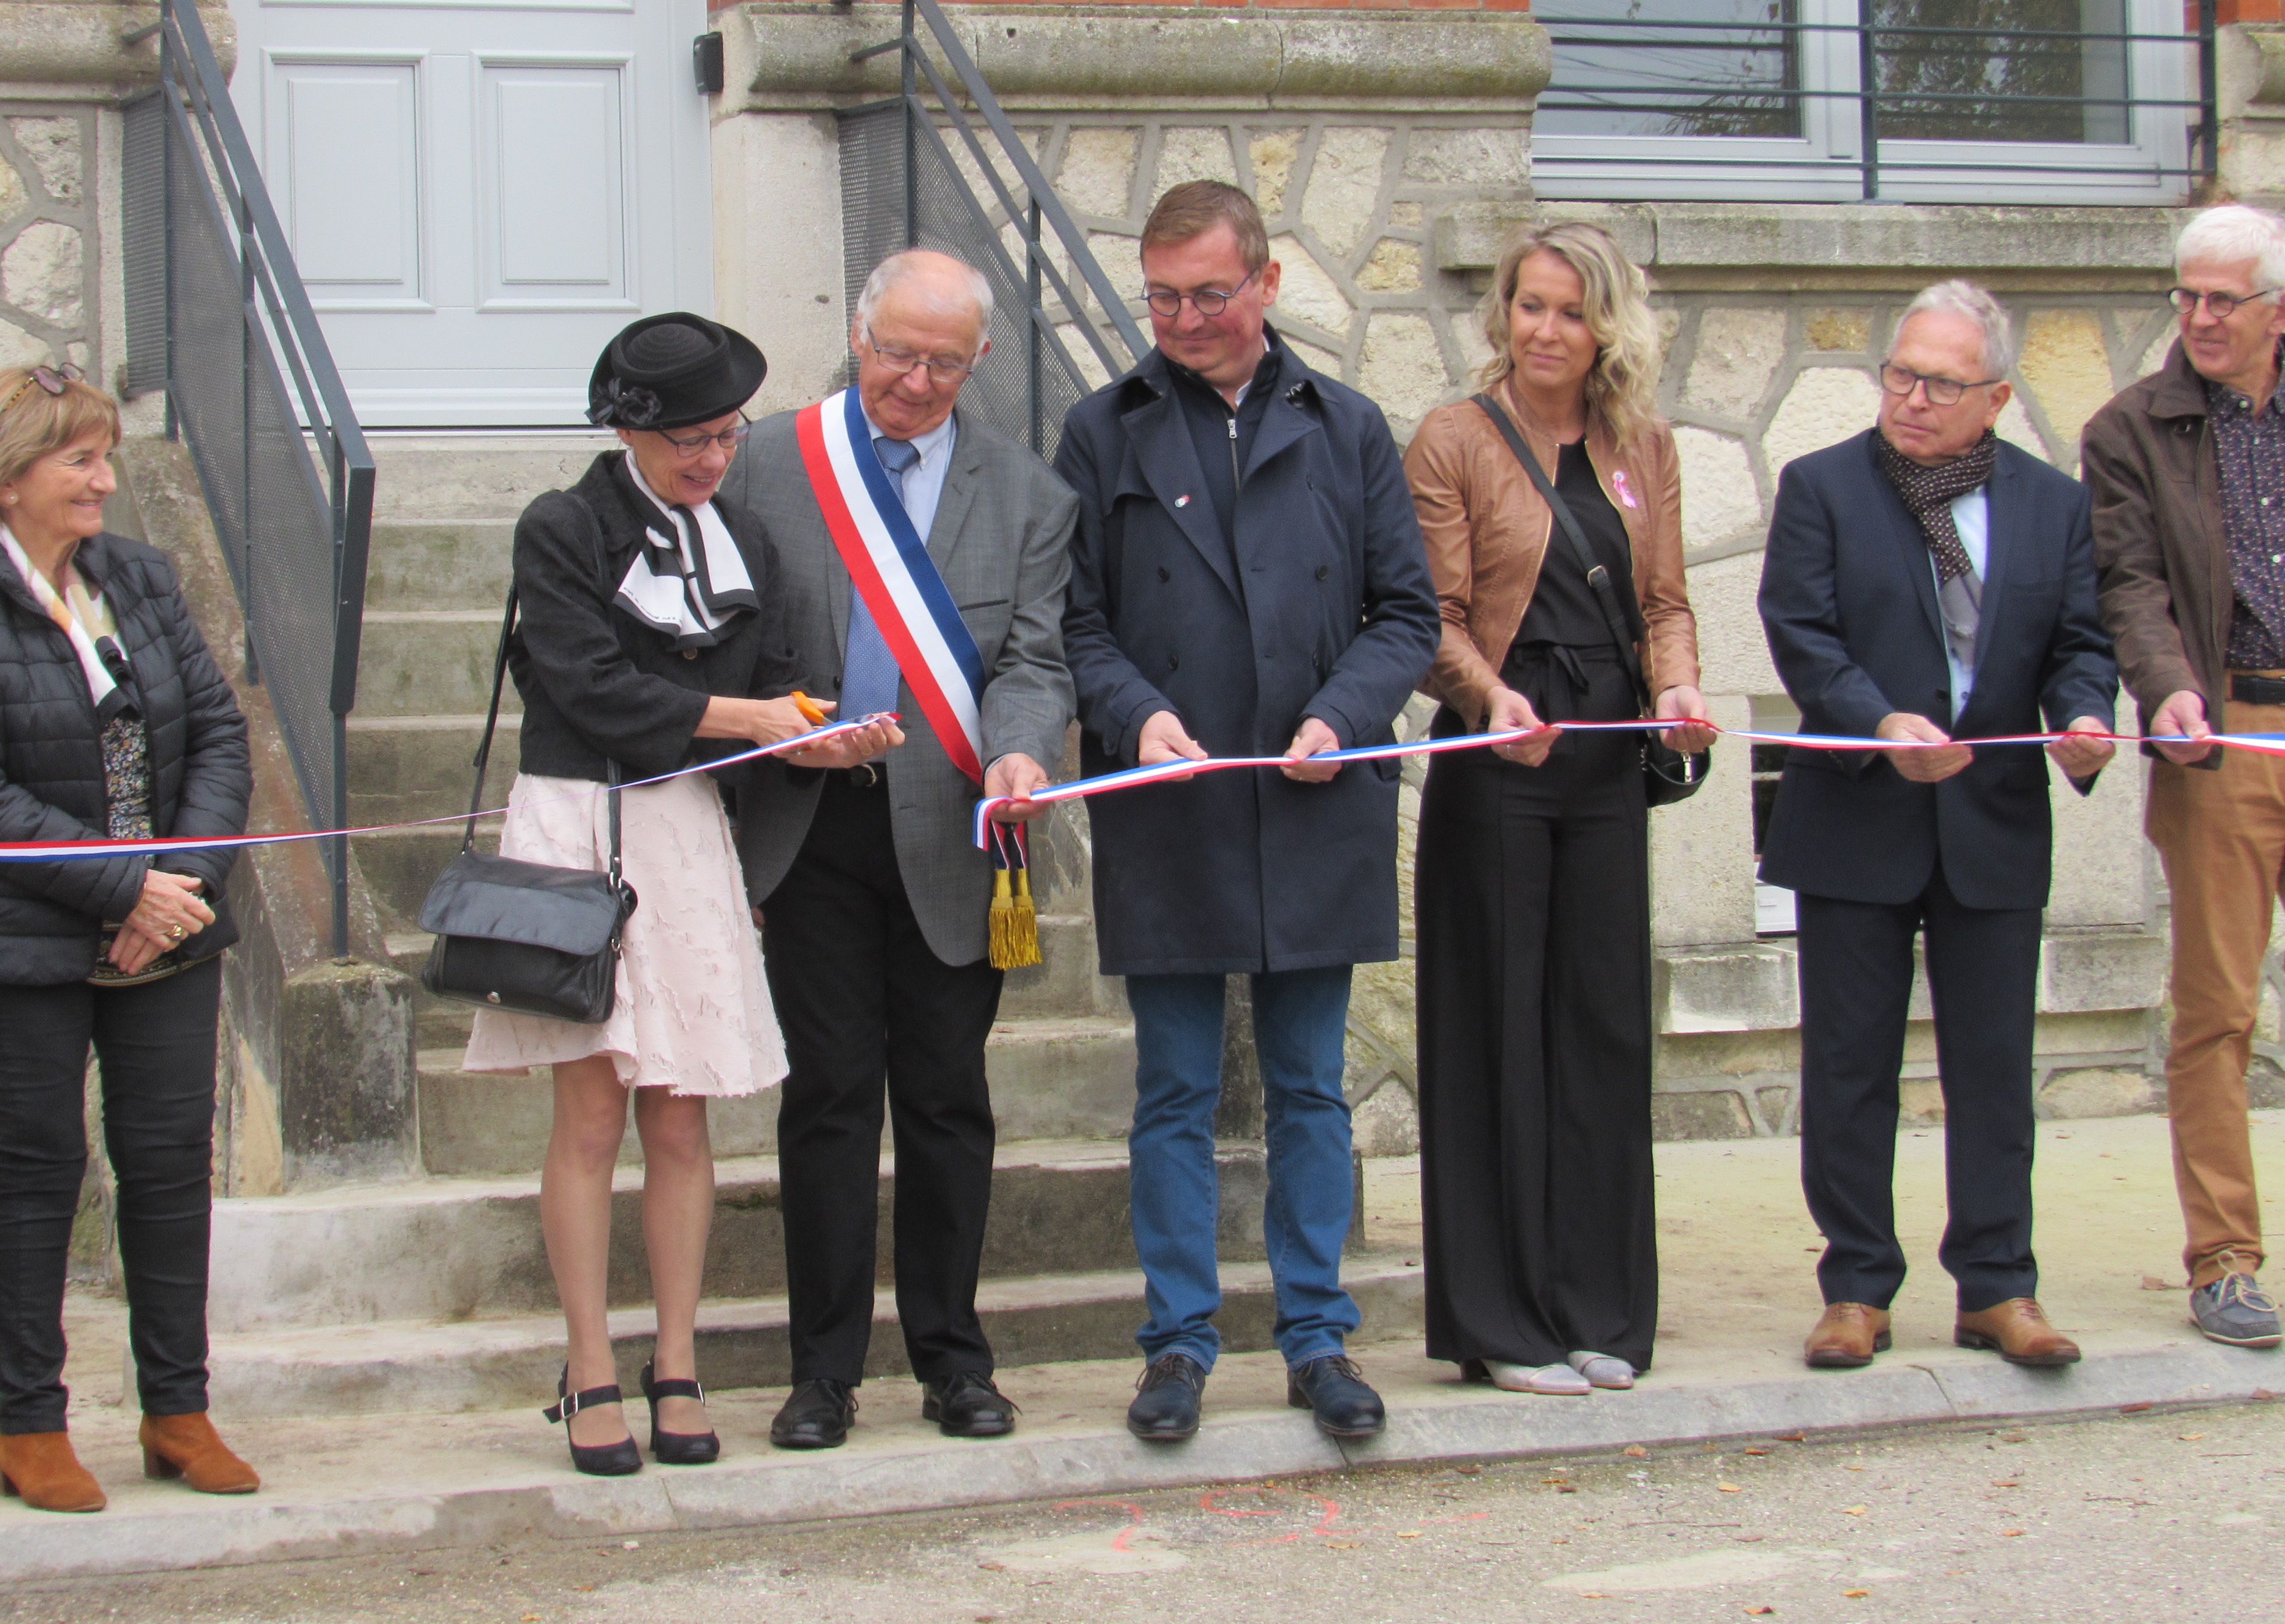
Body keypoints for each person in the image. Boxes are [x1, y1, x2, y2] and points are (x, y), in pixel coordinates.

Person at [464, 313, 897, 1474]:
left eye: (727, 434)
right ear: (630, 429)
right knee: (594, 1113)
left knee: (683, 1114)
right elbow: (590, 687)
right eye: (690, 439)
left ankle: (679, 1365)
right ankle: (591, 1367)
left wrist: (814, 739)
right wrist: (747, 720)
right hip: (578, 823)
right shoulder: (560, 528)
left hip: (690, 834)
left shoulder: (744, 532)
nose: (713, 457)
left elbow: (767, 697)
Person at [1055, 179, 1441, 1444]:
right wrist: (1131, 714)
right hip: (1169, 810)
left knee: (1309, 1089)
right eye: (1161, 298)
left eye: (1207, 295)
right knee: (1171, 1091)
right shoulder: (1101, 431)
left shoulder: (1351, 427)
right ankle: (1175, 1345)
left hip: (1319, 804)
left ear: (1266, 285)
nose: (1181, 319)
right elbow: (1076, 624)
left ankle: (1318, 1337)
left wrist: (1343, 712)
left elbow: (1407, 616)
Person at [724, 249, 1079, 1450]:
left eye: (943, 362)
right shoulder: (770, 462)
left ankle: (953, 1361)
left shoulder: (1028, 493)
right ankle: (821, 1373)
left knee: (945, 1101)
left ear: (981, 362)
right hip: (810, 827)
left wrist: (1024, 751)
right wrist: (776, 732)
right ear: (857, 335)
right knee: (828, 1101)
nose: (914, 383)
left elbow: (1034, 659)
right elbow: (730, 645)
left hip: (958, 836)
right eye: (895, 354)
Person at [0, 363, 257, 1512]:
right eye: (81, 462)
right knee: (40, 1170)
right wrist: (124, 892)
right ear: (8, 479)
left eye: (104, 458)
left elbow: (215, 732)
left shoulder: (140, 580)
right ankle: (31, 1425)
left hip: (168, 931)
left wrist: (180, 888)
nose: (106, 481)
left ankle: (178, 1409)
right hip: (23, 939)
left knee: (167, 1171)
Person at [1759, 282, 2117, 1372]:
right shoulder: (1823, 486)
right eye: (1901, 374)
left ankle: (1999, 1286)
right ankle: (1858, 1285)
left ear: (1997, 397)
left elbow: (2079, 642)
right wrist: (1878, 721)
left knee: (1996, 1067)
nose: (1912, 399)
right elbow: (1802, 636)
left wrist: (2087, 715)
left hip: (1993, 820)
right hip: (1860, 813)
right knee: (1852, 1064)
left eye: (1942, 384)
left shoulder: (2054, 505)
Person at [1402, 222, 1711, 1396]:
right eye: (1529, 306)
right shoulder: (1454, 440)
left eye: (1569, 312)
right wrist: (1487, 696)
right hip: (1500, 758)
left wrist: (1679, 685)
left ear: (1607, 328)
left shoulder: (1645, 444)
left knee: (1601, 1032)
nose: (1544, 330)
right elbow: (1429, 617)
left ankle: (1600, 1312)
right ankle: (1501, 1323)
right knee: (1496, 1036)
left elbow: (1667, 598)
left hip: (1605, 762)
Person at [2083, 202, 2285, 1348]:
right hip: (2222, 739)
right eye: (2187, 298)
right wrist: (2165, 688)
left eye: (2223, 301)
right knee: (2217, 1012)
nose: (2200, 320)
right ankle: (2223, 1260)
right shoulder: (2133, 430)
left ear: (2276, 311)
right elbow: (2131, 583)